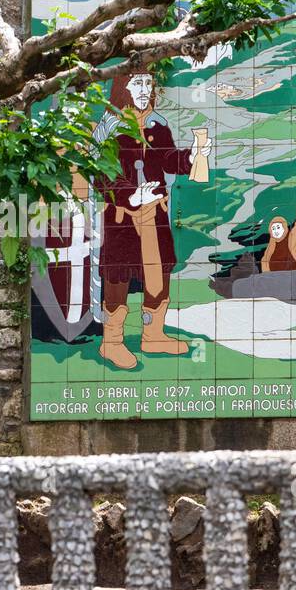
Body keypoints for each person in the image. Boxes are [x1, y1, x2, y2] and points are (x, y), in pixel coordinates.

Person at [92, 71, 212, 369]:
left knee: (159, 273)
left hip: (155, 213)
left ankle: (153, 335)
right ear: (123, 88)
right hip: (122, 215)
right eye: (137, 83)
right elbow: (100, 175)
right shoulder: (110, 128)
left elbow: (168, 159)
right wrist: (131, 195)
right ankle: (112, 341)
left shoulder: (159, 125)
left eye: (148, 83)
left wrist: (193, 154)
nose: (145, 89)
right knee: (118, 274)